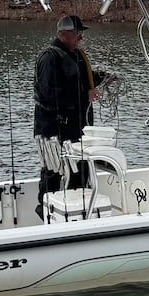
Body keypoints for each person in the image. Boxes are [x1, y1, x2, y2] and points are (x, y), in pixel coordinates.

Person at [34, 14, 105, 205]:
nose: (81, 38)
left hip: (76, 130)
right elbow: (48, 95)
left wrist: (102, 78)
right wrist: (84, 96)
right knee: (53, 172)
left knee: (80, 171)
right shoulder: (49, 58)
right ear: (64, 34)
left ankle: (77, 210)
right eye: (77, 33)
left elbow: (78, 80)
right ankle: (46, 212)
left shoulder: (74, 54)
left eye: (81, 34)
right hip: (52, 130)